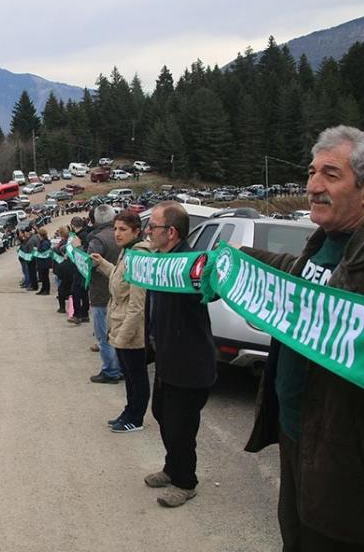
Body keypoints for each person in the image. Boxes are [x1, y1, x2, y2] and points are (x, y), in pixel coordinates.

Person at [243, 126, 364, 550]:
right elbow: (284, 270)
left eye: (330, 174)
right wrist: (232, 262)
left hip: (348, 459)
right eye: (312, 173)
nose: (313, 186)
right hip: (297, 437)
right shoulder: (319, 246)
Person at [143, 201, 217, 508]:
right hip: (167, 358)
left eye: (153, 227)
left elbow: (212, 286)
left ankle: (186, 481)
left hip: (189, 362)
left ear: (171, 232)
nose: (148, 232)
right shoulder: (162, 261)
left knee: (181, 425)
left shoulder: (189, 264)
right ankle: (172, 467)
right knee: (162, 413)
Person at [90, 210, 150, 432]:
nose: (117, 233)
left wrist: (123, 336)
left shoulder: (139, 255)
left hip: (131, 329)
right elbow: (120, 278)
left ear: (136, 231)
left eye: (123, 229)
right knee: (130, 377)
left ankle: (136, 417)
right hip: (120, 323)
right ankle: (129, 411)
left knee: (137, 377)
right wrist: (103, 263)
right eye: (115, 228)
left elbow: (137, 303)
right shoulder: (128, 252)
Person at [74, 205, 122, 383]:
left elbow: (89, 263)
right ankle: (121, 367)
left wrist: (78, 249)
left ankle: (110, 370)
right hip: (121, 291)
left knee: (103, 335)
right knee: (118, 334)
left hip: (101, 291)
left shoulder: (97, 239)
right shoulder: (122, 237)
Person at [67, 216, 91, 324]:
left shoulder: (79, 237)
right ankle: (85, 313)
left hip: (79, 267)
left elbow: (81, 251)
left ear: (72, 225)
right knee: (84, 291)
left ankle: (77, 315)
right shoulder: (87, 234)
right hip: (84, 268)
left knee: (75, 291)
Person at [35, 228, 52, 295]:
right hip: (41, 262)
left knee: (45, 277)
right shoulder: (42, 241)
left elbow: (44, 250)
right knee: (42, 276)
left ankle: (46, 290)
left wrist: (37, 249)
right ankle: (43, 289)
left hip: (45, 262)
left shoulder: (45, 242)